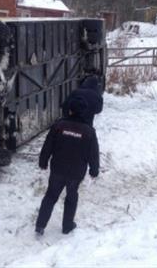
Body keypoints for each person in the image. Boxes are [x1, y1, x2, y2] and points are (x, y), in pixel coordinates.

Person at [35, 97, 99, 235]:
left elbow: (48, 145)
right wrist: (94, 170)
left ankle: (40, 225)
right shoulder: (89, 131)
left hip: (58, 168)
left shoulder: (59, 126)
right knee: (71, 197)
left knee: (51, 195)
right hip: (76, 172)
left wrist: (43, 161)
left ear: (70, 110)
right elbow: (93, 153)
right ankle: (67, 226)